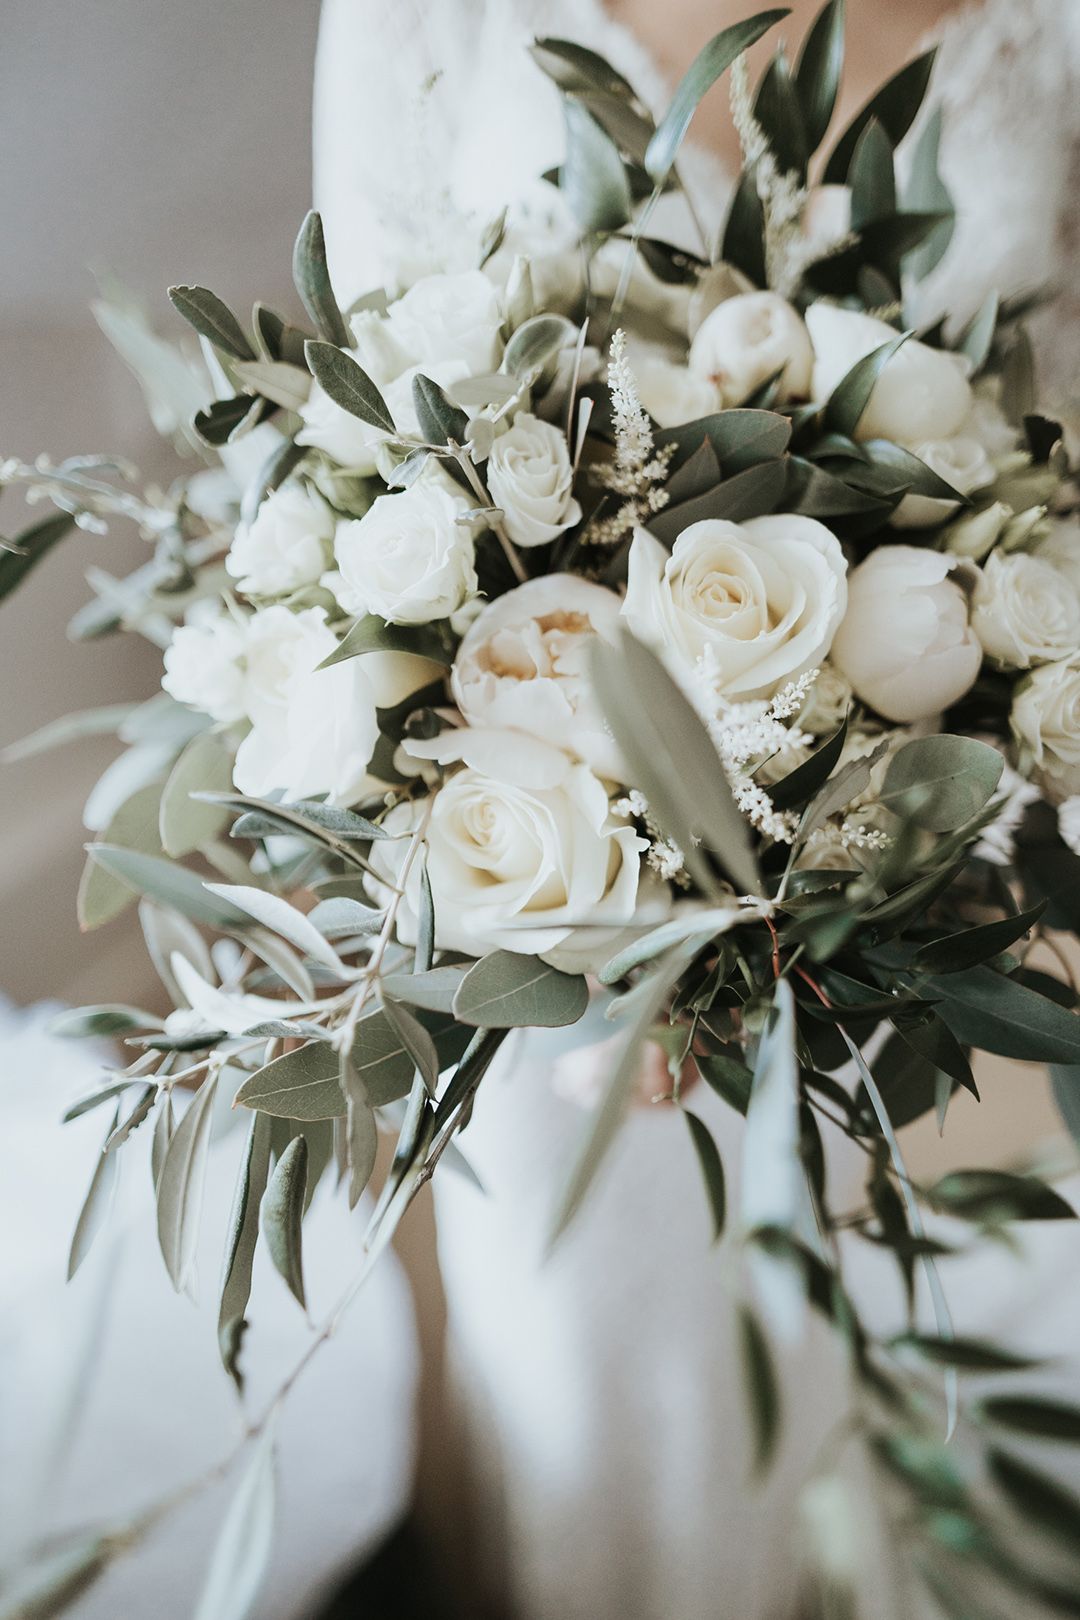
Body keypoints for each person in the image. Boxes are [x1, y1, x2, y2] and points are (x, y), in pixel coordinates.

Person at [312, 3, 1080, 1614]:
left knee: (892, 1377)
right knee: (606, 1400)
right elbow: (358, 428)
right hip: (547, 916)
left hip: (928, 906)